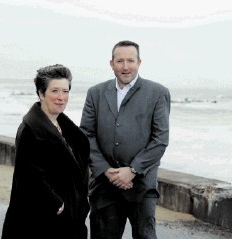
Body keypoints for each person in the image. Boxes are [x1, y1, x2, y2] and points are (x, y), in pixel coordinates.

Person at [80, 40, 171, 239]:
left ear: (139, 62)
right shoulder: (95, 93)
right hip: (104, 184)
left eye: (130, 60)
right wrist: (105, 170)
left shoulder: (157, 93)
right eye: (119, 61)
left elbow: (160, 140)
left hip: (141, 185)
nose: (125, 66)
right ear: (111, 63)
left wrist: (132, 170)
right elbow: (86, 134)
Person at [1, 64, 90, 239]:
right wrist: (56, 203)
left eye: (65, 91)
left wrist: (81, 204)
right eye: (55, 91)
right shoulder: (29, 129)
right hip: (42, 220)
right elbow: (28, 175)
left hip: (70, 219)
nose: (61, 97)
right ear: (41, 94)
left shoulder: (67, 129)